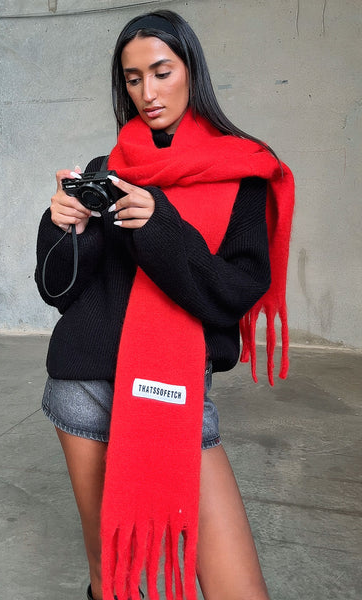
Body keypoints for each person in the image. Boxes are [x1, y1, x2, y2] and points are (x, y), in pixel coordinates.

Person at [35, 10, 294, 600]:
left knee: (239, 588)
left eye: (161, 72)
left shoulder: (241, 172)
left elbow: (236, 292)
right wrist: (62, 227)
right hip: (86, 385)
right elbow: (58, 292)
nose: (147, 93)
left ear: (190, 70)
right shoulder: (107, 172)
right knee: (113, 577)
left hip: (172, 393)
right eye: (132, 79)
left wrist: (161, 228)